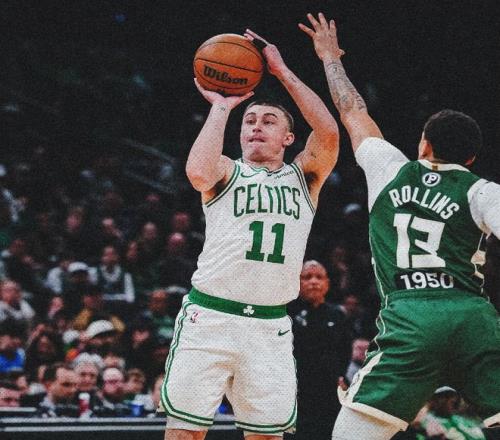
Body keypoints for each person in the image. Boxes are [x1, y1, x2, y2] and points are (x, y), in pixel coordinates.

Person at [300, 12, 500, 439]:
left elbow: (352, 109)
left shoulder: (387, 168)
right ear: (470, 159)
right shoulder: (482, 190)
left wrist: (330, 58)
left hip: (410, 318)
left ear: (423, 144)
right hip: (471, 317)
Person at [161, 29, 339, 440]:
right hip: (210, 317)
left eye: (268, 121)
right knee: (185, 433)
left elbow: (328, 133)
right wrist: (222, 107)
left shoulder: (304, 177)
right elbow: (197, 173)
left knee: (266, 436)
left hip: (268, 326)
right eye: (250, 121)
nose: (256, 126)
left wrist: (282, 72)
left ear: (288, 138)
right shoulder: (226, 170)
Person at [287, 260, 351, 440]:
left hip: (329, 390)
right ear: (297, 282)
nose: (313, 282)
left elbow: (345, 350)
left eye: (319, 277)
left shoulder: (337, 315)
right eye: (307, 277)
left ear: (327, 283)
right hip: (296, 390)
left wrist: (341, 375)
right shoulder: (287, 313)